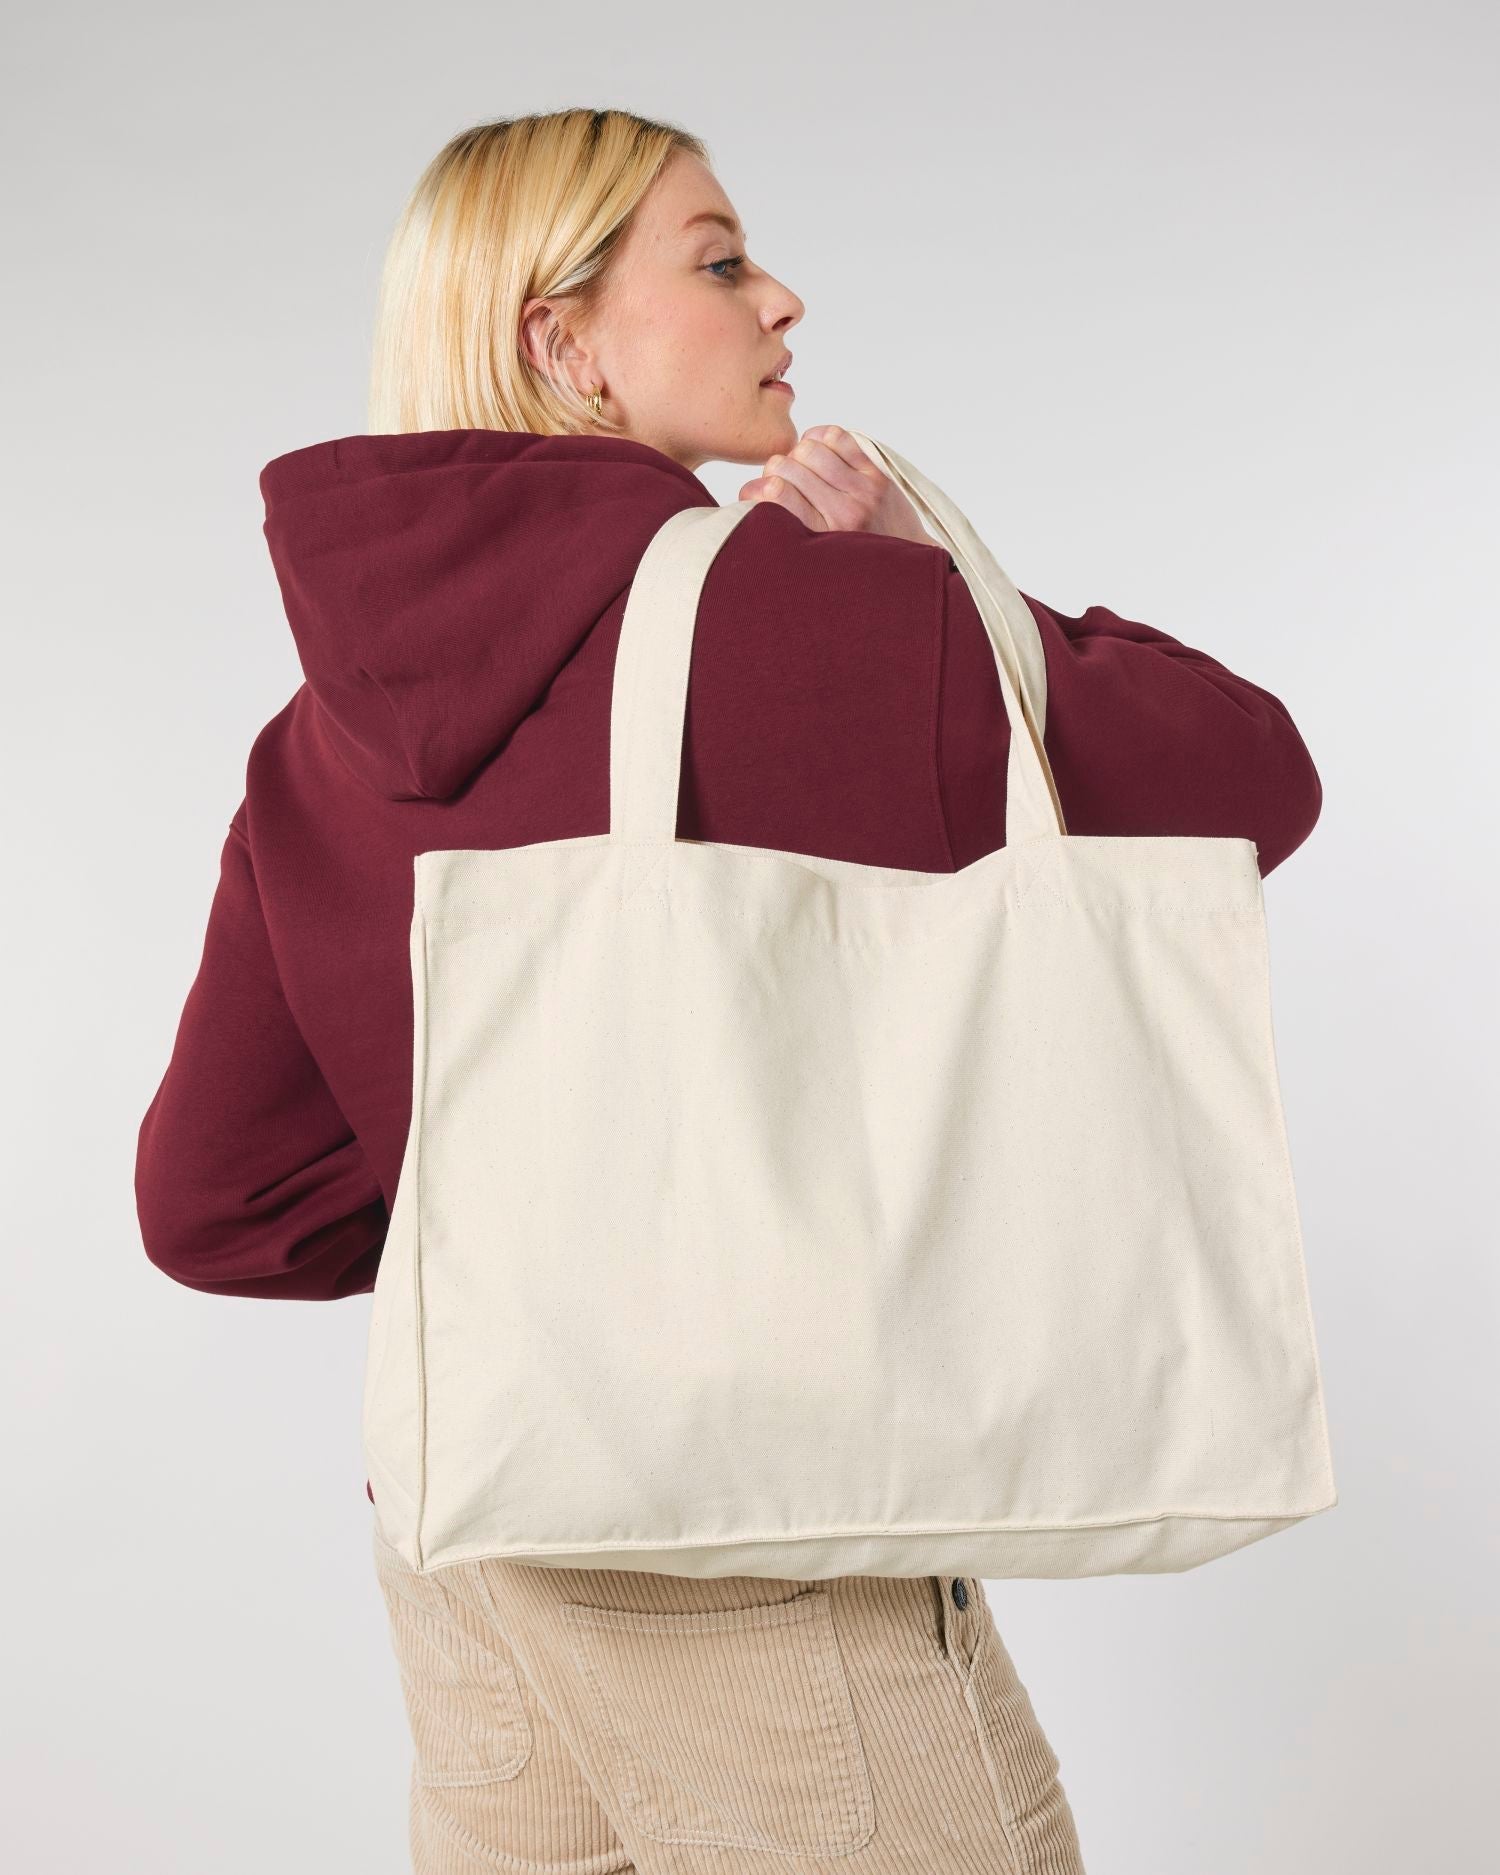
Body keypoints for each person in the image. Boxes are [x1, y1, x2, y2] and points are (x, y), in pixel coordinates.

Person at [135, 108, 1323, 1875]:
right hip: (745, 1535)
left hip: (472, 1532)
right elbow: (1252, 777)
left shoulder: (313, 746)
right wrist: (921, 574)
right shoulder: (823, 626)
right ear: (563, 345)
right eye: (718, 261)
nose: (782, 300)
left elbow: (215, 1202)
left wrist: (527, 1243)